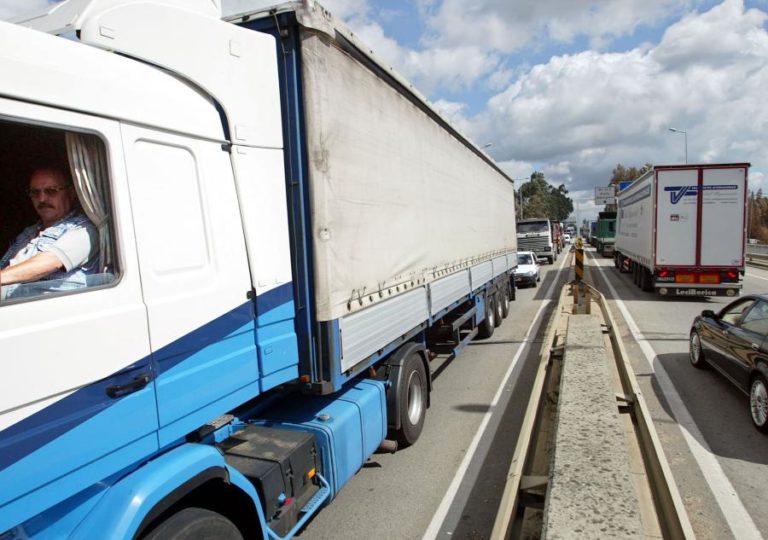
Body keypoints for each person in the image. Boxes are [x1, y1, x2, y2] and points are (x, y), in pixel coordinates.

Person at [0, 168, 98, 299]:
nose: (42, 199)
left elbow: (50, 261)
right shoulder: (29, 232)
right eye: (35, 192)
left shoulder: (84, 229)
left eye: (51, 191)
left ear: (71, 193)